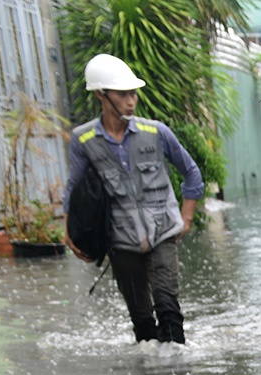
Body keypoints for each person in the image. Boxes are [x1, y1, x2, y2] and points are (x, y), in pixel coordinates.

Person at [65, 54, 205, 345]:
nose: (131, 101)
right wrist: (69, 231)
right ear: (101, 95)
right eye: (123, 94)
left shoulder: (156, 132)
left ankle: (178, 370)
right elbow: (74, 188)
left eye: (133, 93)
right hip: (120, 240)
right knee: (141, 318)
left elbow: (191, 173)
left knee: (168, 306)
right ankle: (148, 371)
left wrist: (186, 218)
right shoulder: (84, 140)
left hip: (162, 233)